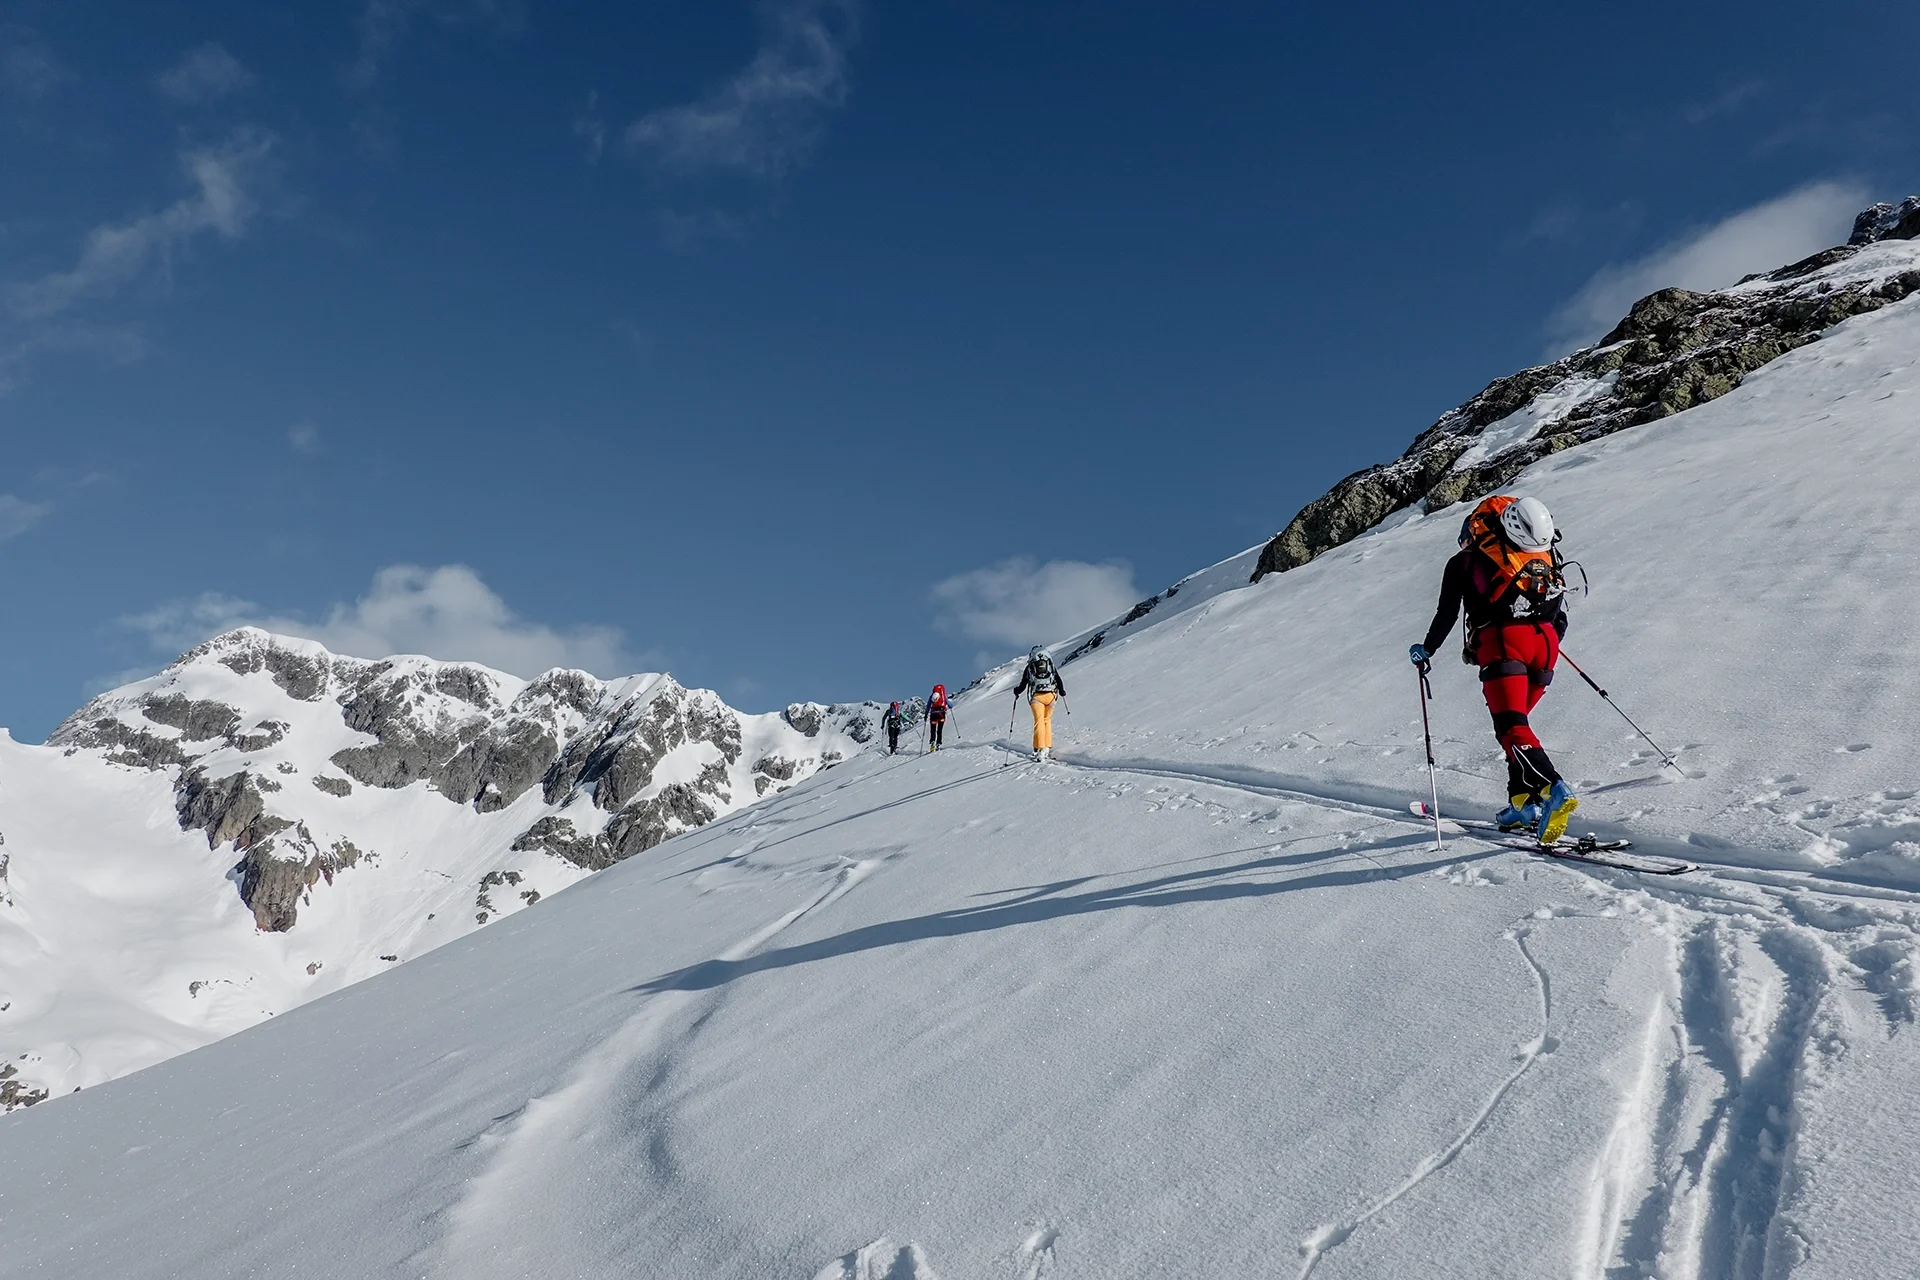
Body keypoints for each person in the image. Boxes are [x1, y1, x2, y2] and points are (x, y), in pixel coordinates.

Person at [1410, 494, 1578, 844]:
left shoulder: (1464, 561)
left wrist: (1426, 649)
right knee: (1515, 729)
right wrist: (1543, 637)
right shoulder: (1541, 555)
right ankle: (1522, 804)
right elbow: (1559, 613)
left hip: (1504, 644)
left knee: (1512, 728)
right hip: (1546, 646)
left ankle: (1554, 789)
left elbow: (1447, 614)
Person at [1013, 645, 1066, 760]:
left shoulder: (1030, 667)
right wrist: (1062, 691)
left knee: (1039, 721)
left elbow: (1023, 684)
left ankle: (1040, 748)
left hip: (1037, 697)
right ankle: (1047, 746)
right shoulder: (1050, 665)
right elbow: (1058, 679)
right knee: (1047, 720)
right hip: (1051, 696)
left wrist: (1016, 691)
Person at [926, 684, 950, 752]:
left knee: (933, 730)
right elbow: (950, 705)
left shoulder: (932, 696)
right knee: (939, 730)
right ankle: (938, 744)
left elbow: (928, 706)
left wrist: (926, 714)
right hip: (941, 714)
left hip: (933, 714)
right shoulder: (943, 696)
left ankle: (932, 742)